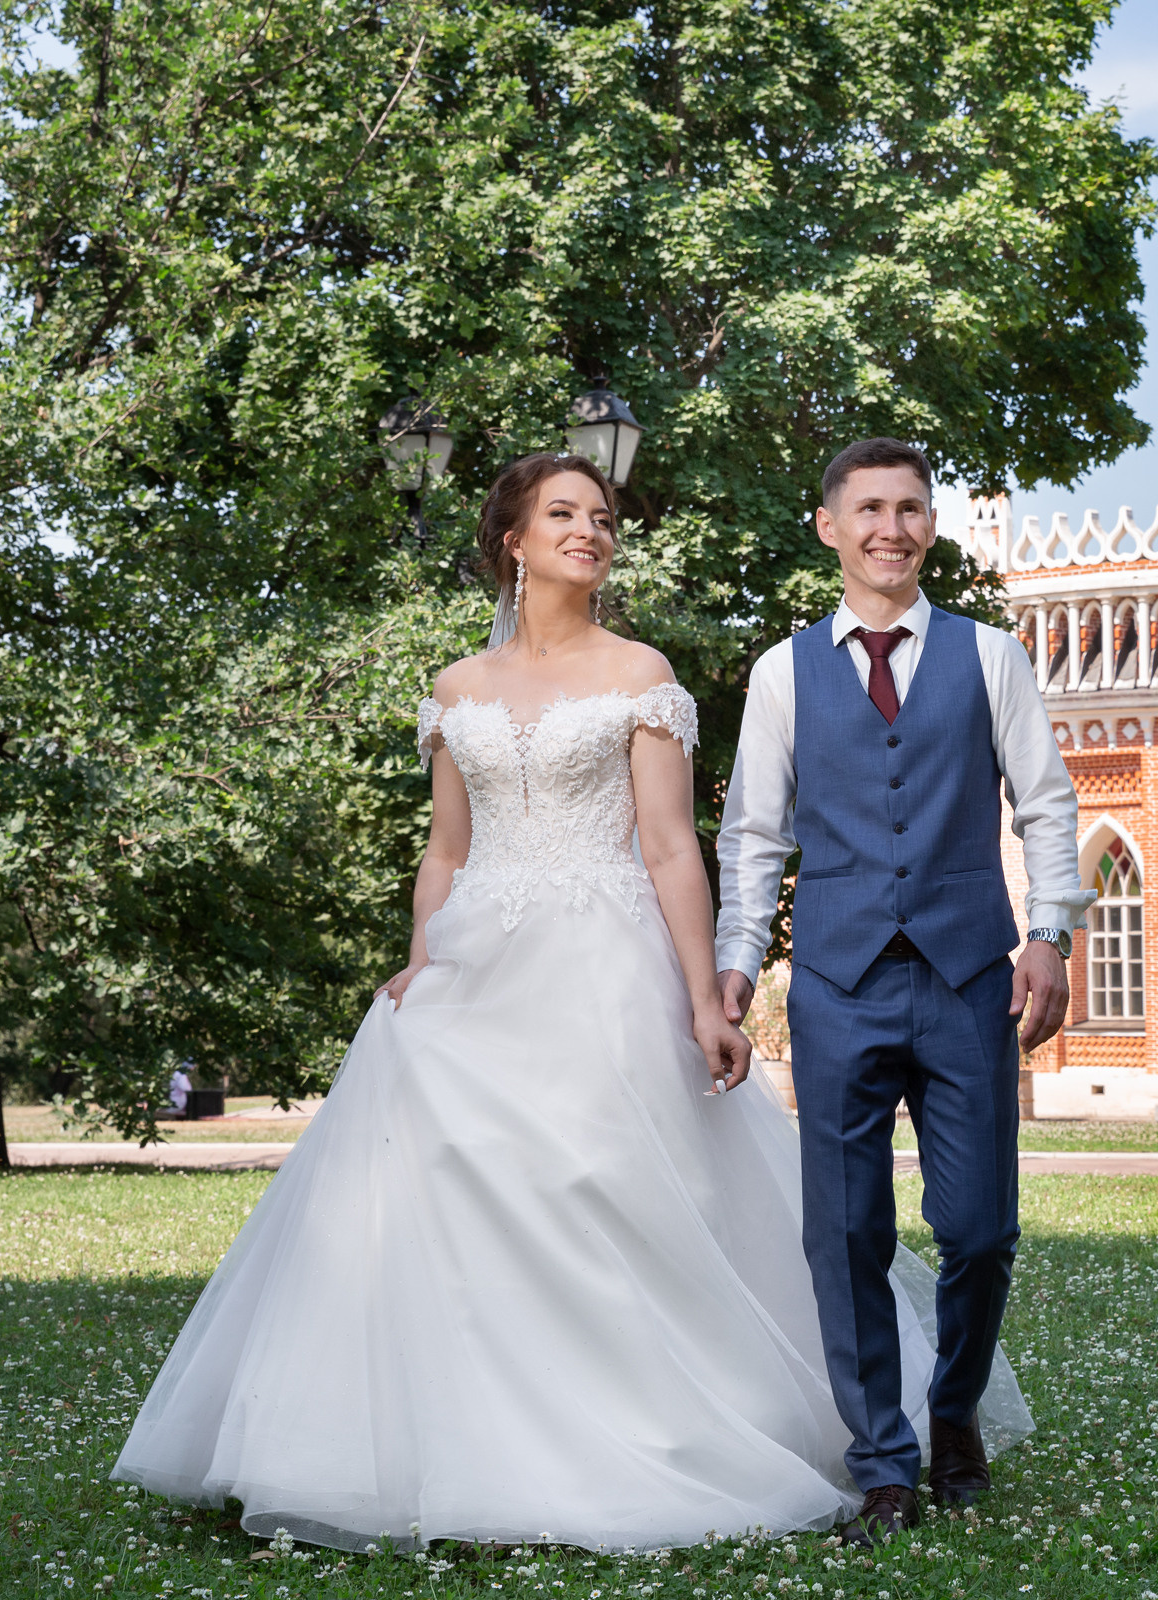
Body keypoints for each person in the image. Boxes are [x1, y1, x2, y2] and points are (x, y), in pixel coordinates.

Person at [112, 451, 1030, 1554]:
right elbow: (445, 850)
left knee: (598, 1183)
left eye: (601, 517)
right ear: (515, 540)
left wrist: (706, 994)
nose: (590, 531)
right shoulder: (456, 689)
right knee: (439, 1194)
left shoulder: (641, 671)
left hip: (606, 959)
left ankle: (671, 1426)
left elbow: (671, 847)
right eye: (565, 515)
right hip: (475, 971)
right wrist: (420, 957)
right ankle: (459, 1439)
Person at [715, 438, 1089, 1545]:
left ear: (932, 526)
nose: (894, 527)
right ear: (829, 525)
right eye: (871, 508)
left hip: (971, 976)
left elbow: (1049, 805)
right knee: (845, 1233)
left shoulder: (992, 657)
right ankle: (881, 1458)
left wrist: (1049, 934)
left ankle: (953, 1406)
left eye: (913, 508)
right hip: (836, 980)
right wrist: (740, 963)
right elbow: (753, 836)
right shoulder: (783, 673)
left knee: (979, 1230)